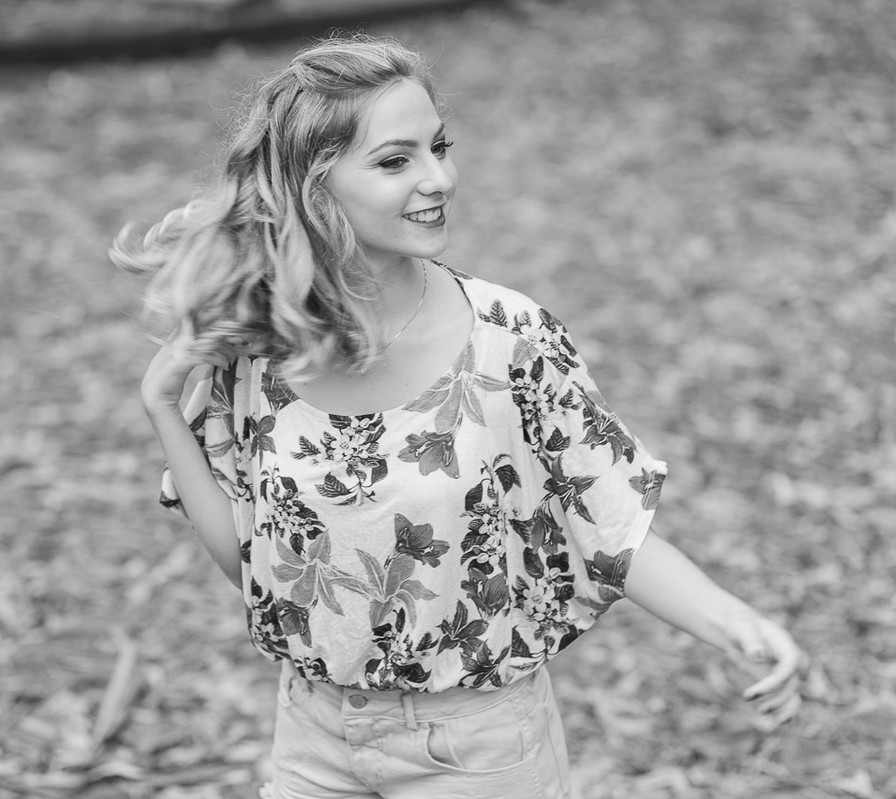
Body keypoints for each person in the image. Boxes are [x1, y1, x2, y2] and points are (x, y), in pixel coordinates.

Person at [111, 33, 805, 799]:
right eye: (395, 160)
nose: (439, 177)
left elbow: (611, 525)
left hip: (478, 748)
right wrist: (162, 408)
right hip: (312, 732)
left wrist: (731, 620)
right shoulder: (261, 347)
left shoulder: (508, 338)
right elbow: (254, 564)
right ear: (313, 185)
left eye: (438, 147)